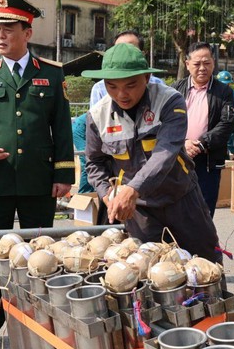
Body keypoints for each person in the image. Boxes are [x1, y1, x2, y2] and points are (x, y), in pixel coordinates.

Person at [0, 0, 74, 346]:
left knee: (40, 255)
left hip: (40, 182)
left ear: (28, 32)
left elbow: (63, 128)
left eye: (9, 28)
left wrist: (64, 175)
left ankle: (38, 321)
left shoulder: (52, 75)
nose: (0, 35)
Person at [83, 43, 222, 264]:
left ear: (146, 79)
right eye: (111, 86)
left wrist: (132, 189)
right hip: (139, 211)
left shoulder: (169, 101)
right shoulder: (97, 116)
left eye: (130, 85)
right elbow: (94, 163)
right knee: (148, 270)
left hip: (181, 198)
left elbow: (165, 153)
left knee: (205, 263)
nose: (121, 94)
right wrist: (109, 195)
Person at [170, 42, 234, 217]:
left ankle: (203, 244)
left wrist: (200, 144)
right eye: (197, 64)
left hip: (208, 160)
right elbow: (165, 122)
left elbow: (226, 124)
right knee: (176, 208)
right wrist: (183, 144)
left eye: (206, 63)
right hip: (178, 157)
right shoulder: (175, 90)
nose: (202, 68)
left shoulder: (224, 92)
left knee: (204, 209)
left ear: (213, 63)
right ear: (187, 64)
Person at [89, 30, 165, 107]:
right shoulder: (99, 89)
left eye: (131, 85)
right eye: (113, 86)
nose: (122, 95)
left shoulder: (158, 85)